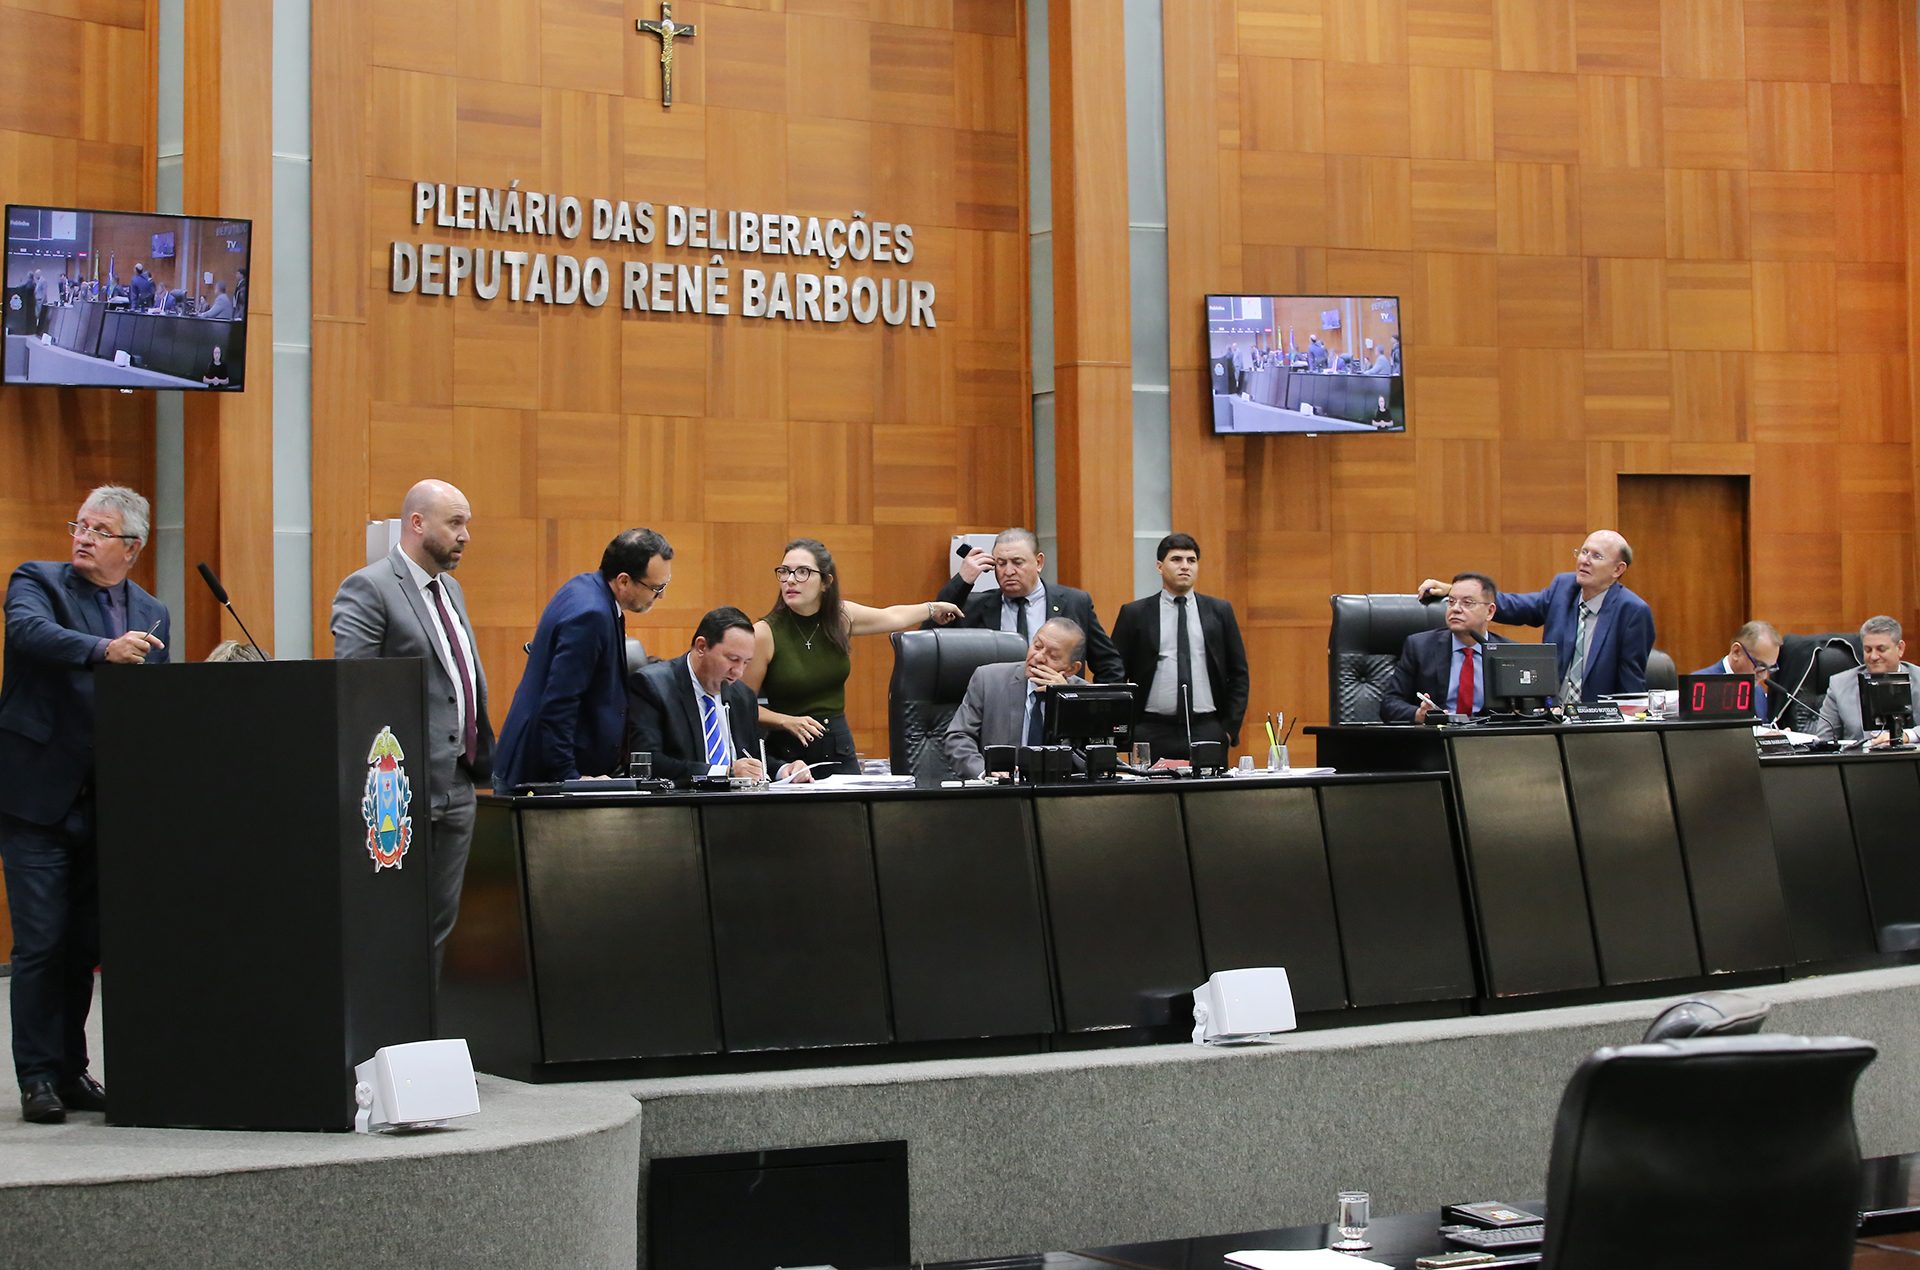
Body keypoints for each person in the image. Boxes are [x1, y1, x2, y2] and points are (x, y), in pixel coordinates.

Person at [0, 486, 169, 1124]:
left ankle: (71, 1069)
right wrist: (104, 650)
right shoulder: (38, 582)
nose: (83, 538)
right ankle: (37, 1076)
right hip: (37, 801)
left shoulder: (152, 611)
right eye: (80, 525)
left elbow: (155, 704)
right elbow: (28, 634)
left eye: (100, 530)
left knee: (83, 947)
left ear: (132, 547)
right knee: (41, 943)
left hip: (109, 806)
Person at [331, 479, 494, 979]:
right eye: (455, 523)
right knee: (390, 918)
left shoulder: (451, 590)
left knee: (438, 922)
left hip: (458, 781)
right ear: (417, 523)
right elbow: (355, 689)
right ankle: (383, 1020)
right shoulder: (369, 587)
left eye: (467, 523)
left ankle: (425, 1020)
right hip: (399, 786)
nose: (465, 535)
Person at [745, 538, 961, 776]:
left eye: (803, 572)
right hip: (789, 754)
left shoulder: (840, 616)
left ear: (826, 582)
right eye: (785, 571)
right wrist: (785, 720)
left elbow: (892, 617)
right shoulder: (764, 633)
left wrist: (932, 608)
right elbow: (742, 707)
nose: (790, 580)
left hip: (838, 746)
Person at [492, 527, 673, 787]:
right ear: (623, 581)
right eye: (656, 587)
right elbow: (560, 702)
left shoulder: (586, 587)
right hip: (542, 776)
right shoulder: (591, 615)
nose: (662, 595)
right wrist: (569, 777)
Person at [1424, 529, 1654, 703]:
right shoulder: (1563, 588)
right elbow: (1516, 607)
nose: (1584, 560)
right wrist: (1454, 591)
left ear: (1617, 570)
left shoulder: (1633, 612)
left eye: (1596, 556)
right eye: (1583, 552)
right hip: (1551, 716)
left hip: (1598, 723)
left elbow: (1630, 685)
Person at [629, 607, 814, 785]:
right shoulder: (653, 686)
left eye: (746, 662)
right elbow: (648, 762)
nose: (738, 672)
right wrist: (724, 773)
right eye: (733, 659)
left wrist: (785, 770)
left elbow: (751, 757)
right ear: (701, 647)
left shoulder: (742, 695)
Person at [1110, 533, 1249, 759]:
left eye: (1191, 560)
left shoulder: (1220, 611)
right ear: (1159, 566)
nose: (1185, 566)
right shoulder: (1134, 613)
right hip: (1151, 729)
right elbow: (1115, 673)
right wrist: (1127, 729)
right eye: (1176, 559)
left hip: (1207, 728)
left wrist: (1228, 729)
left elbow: (1239, 674)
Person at [932, 527, 1124, 683]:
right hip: (997, 707)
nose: (1008, 571)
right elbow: (931, 636)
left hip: (1053, 705)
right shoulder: (974, 606)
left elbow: (1109, 665)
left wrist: (1085, 705)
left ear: (1038, 562)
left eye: (1017, 562)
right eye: (1001, 563)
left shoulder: (1075, 602)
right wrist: (962, 581)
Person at [942, 618, 1088, 779]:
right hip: (1001, 789)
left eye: (1053, 656)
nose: (1038, 657)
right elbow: (958, 737)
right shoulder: (988, 680)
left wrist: (1066, 703)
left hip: (1058, 791)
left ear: (1072, 668)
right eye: (1037, 646)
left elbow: (1090, 758)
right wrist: (984, 771)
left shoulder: (1084, 697)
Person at [1381, 573, 1510, 723]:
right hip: (1437, 734)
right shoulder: (1420, 647)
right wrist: (1419, 715)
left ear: (1490, 611)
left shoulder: (1509, 653)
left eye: (1467, 603)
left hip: (1489, 735)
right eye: (1451, 601)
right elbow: (1389, 704)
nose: (1456, 609)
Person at [1815, 616, 1920, 744]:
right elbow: (1824, 740)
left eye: (1881, 649)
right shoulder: (1839, 685)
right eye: (1868, 650)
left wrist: (1908, 736)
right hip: (1859, 756)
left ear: (1900, 648)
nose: (1873, 656)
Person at [1691, 621, 1781, 723]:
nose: (1764, 676)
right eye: (1760, 665)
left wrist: (1772, 733)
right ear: (1736, 652)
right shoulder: (1698, 686)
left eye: (1770, 668)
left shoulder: (1758, 691)